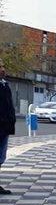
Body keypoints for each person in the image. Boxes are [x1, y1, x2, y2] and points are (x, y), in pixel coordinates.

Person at [0, 59, 16, 195]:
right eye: (0, 67)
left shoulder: (5, 85)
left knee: (1, 157)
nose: (3, 69)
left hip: (4, 128)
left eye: (2, 66)